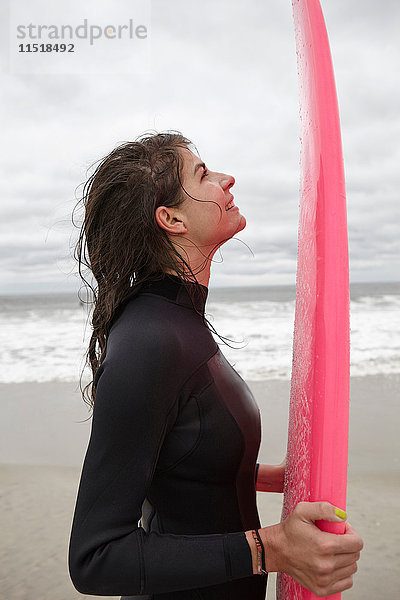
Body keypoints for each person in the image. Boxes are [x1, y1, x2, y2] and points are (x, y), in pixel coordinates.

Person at [68, 131, 363, 599]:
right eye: (202, 175)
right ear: (172, 219)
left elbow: (176, 461)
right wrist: (271, 550)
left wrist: (270, 476)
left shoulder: (176, 322)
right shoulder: (150, 341)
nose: (227, 180)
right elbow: (95, 558)